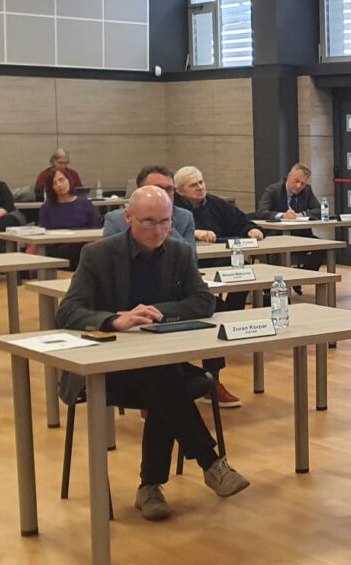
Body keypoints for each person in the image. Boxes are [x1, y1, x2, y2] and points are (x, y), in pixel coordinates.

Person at [56, 185, 249, 520]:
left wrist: (159, 311)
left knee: (163, 378)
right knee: (167, 380)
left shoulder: (178, 252)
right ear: (128, 217)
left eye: (165, 222)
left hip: (159, 363)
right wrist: (115, 320)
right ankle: (208, 463)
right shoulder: (97, 255)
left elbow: (203, 301)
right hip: (107, 366)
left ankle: (151, 488)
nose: (158, 230)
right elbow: (68, 312)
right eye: (148, 222)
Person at [174, 165, 264, 409]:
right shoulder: (174, 211)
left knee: (245, 277)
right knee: (215, 308)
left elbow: (240, 221)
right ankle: (206, 380)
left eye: (201, 182)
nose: (200, 187)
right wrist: (195, 233)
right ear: (179, 190)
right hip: (188, 271)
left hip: (220, 263)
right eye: (194, 185)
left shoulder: (215, 203)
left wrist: (251, 229)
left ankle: (213, 377)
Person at [257, 163, 324, 272]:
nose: (299, 186)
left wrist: (301, 214)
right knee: (278, 250)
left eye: (302, 183)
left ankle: (303, 275)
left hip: (301, 235)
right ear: (289, 176)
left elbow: (320, 210)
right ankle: (279, 279)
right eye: (296, 181)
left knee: (322, 247)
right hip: (277, 235)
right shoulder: (273, 190)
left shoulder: (307, 191)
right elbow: (261, 212)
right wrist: (282, 215)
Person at [104, 165, 196, 244]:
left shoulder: (185, 217)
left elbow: (190, 256)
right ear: (140, 191)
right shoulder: (115, 220)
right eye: (157, 189)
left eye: (169, 189)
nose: (164, 194)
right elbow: (110, 255)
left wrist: (167, 226)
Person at [37, 170, 101, 270]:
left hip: (82, 246)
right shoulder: (47, 208)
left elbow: (96, 228)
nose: (59, 185)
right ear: (51, 188)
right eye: (54, 183)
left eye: (61, 180)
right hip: (57, 248)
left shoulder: (85, 204)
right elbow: (43, 232)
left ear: (69, 180)